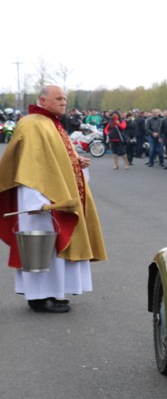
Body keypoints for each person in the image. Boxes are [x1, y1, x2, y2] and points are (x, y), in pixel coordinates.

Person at [0, 84, 106, 313]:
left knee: (56, 249)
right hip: (39, 199)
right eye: (58, 98)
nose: (63, 102)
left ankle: (53, 293)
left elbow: (54, 161)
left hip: (53, 195)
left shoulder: (51, 124)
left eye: (65, 99)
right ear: (42, 100)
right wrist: (35, 201)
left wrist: (77, 162)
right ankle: (39, 297)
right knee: (41, 247)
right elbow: (28, 165)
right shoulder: (31, 124)